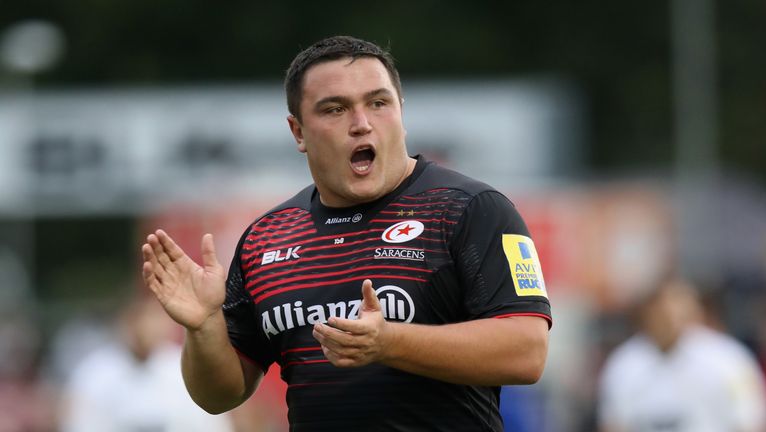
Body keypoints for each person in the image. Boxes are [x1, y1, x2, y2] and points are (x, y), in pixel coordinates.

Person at [141, 35, 552, 431]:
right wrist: (204, 325)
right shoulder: (266, 238)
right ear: (298, 132)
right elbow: (220, 396)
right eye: (335, 109)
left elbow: (527, 352)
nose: (361, 124)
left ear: (401, 112)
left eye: (378, 103)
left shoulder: (471, 208)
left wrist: (389, 342)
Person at [597, 277, 766, 432]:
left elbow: (750, 420)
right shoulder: (625, 364)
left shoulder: (728, 360)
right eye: (661, 311)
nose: (669, 319)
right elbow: (615, 423)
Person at [59, 295, 234, 432]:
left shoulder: (185, 367)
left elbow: (212, 424)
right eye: (139, 319)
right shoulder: (94, 374)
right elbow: (79, 424)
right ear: (126, 321)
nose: (146, 328)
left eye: (153, 319)